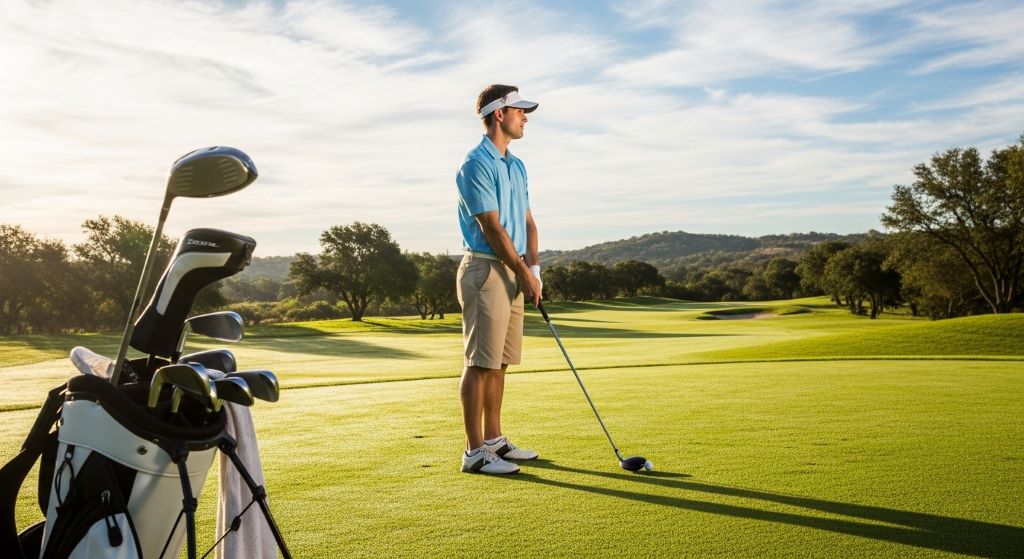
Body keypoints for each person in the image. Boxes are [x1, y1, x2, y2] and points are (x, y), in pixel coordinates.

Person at [455, 84, 543, 474]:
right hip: (485, 267)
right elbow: (491, 227)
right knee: (481, 362)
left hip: (514, 270)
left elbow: (526, 221)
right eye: (519, 111)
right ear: (498, 114)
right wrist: (522, 271)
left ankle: (494, 440)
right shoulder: (476, 164)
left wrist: (533, 270)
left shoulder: (516, 165)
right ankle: (474, 452)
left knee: (501, 362)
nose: (525, 117)